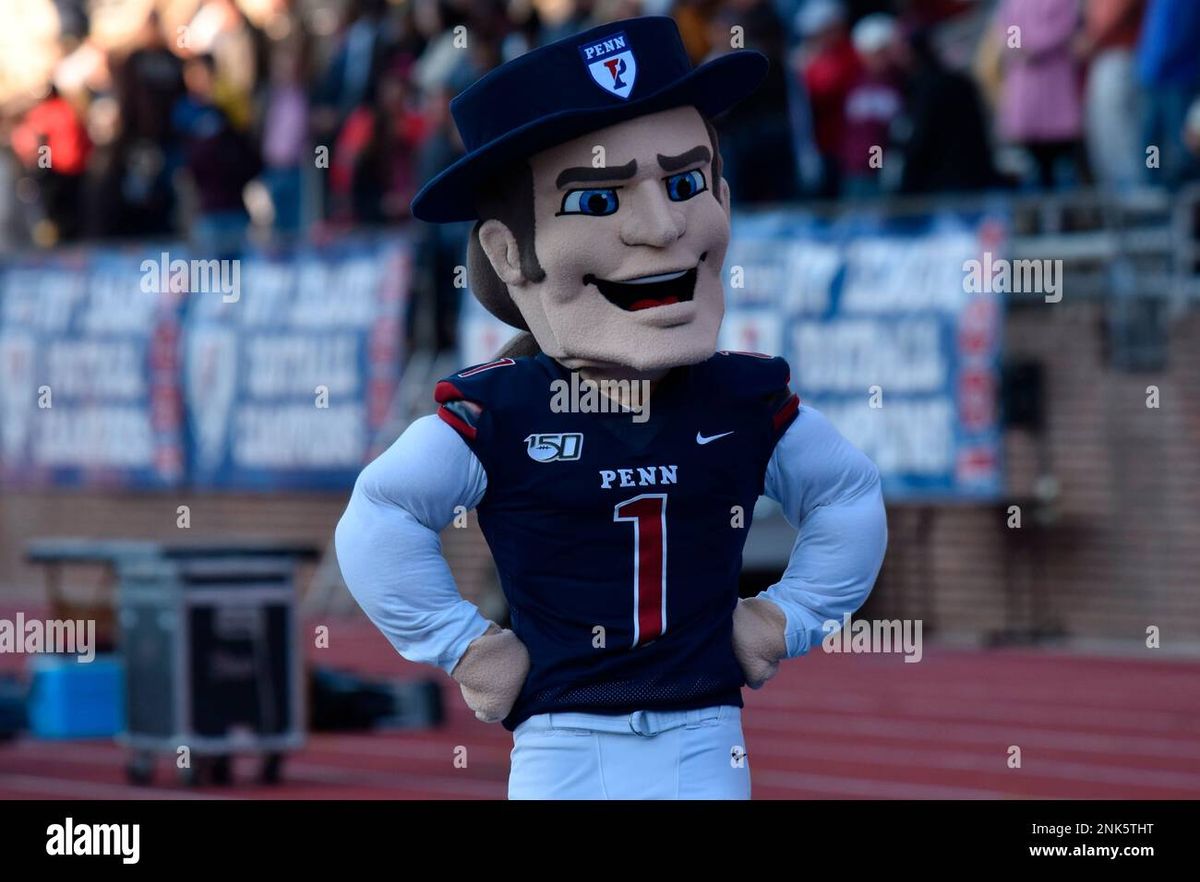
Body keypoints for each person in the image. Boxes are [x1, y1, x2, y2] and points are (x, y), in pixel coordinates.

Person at [336, 16, 887, 800]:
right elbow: (379, 515)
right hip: (565, 738)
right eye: (597, 199)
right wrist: (464, 646)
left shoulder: (740, 395)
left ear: (720, 198)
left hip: (704, 732)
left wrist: (786, 618)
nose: (662, 226)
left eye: (687, 183)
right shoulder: (503, 410)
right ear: (507, 254)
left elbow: (847, 493)